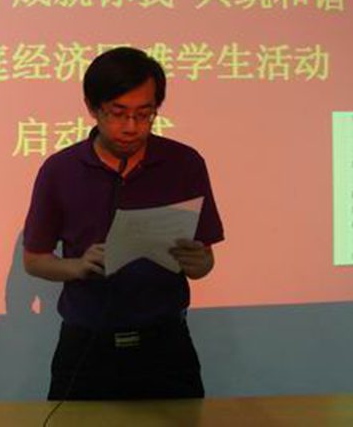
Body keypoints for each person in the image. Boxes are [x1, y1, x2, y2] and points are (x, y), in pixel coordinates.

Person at [22, 46, 224, 400]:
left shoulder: (184, 163)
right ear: (92, 107)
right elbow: (34, 260)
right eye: (118, 113)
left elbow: (204, 261)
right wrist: (78, 266)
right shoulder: (60, 170)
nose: (131, 127)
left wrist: (199, 262)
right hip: (86, 345)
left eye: (145, 114)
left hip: (165, 345)